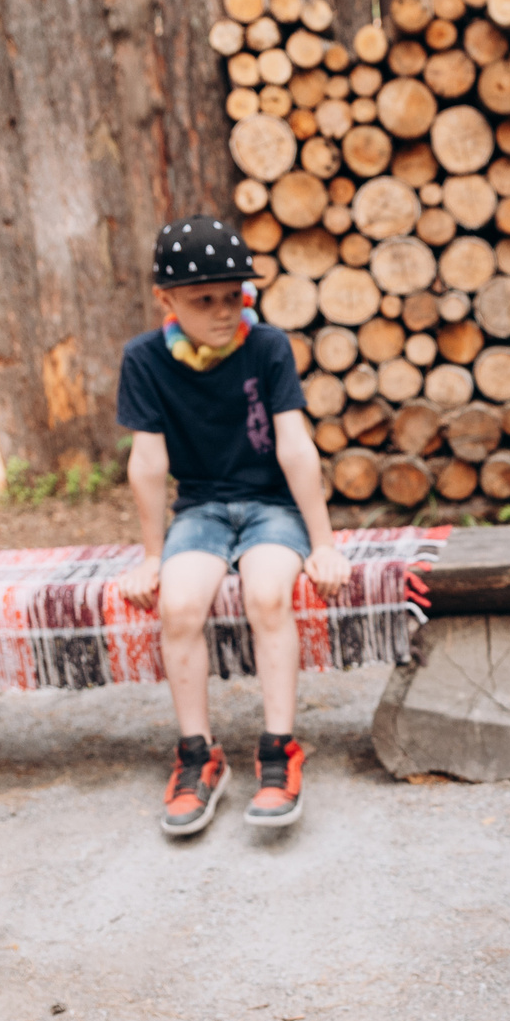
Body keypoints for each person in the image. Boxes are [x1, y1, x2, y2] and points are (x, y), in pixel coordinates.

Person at [116, 216, 351, 837]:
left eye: (234, 296)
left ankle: (279, 750)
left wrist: (323, 544)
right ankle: (198, 754)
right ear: (165, 300)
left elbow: (296, 446)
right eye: (204, 300)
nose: (224, 312)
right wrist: (149, 555)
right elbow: (148, 463)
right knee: (179, 604)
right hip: (200, 511)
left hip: (272, 507)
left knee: (267, 593)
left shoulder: (266, 346)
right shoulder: (144, 361)